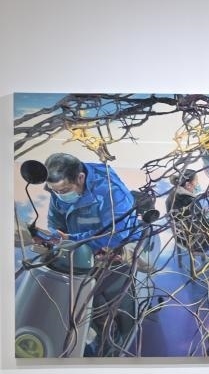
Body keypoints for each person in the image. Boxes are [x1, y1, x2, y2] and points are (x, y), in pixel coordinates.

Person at [43, 152, 142, 355]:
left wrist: (73, 239)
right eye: (55, 191)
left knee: (119, 313)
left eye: (64, 190)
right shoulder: (58, 189)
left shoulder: (111, 191)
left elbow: (116, 234)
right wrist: (55, 238)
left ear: (80, 177)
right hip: (82, 258)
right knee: (90, 313)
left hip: (115, 256)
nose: (60, 195)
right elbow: (55, 222)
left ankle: (116, 356)